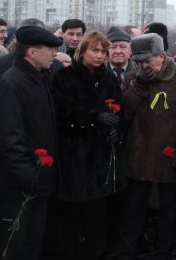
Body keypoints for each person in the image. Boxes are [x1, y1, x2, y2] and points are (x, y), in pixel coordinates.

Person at [118, 34, 176, 259]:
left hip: (169, 154)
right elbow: (125, 111)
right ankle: (128, 249)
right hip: (139, 154)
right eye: (138, 62)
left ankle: (164, 250)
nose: (142, 66)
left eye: (147, 61)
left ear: (161, 56)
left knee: (168, 209)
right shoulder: (134, 76)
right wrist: (139, 86)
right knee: (134, 207)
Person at [51, 30, 124, 259]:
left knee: (97, 215)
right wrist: (93, 117)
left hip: (100, 156)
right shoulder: (65, 77)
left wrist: (115, 130)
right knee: (71, 215)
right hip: (73, 154)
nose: (100, 55)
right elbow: (61, 112)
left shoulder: (109, 79)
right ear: (82, 51)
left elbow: (119, 111)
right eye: (95, 50)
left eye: (103, 51)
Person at [0, 26, 62, 260]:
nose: (54, 55)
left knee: (33, 243)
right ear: (32, 53)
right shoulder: (12, 83)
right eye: (50, 50)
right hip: (20, 185)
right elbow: (10, 136)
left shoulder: (38, 79)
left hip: (39, 180)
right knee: (16, 245)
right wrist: (27, 176)